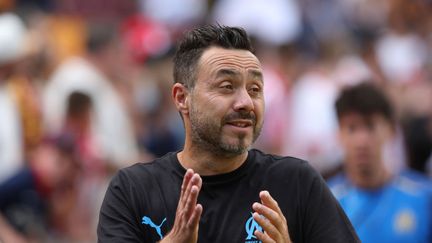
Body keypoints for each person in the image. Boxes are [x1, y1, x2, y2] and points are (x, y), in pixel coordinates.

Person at [97, 24, 359, 243]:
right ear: (182, 98)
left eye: (255, 88)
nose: (246, 102)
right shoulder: (133, 190)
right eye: (227, 86)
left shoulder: (297, 184)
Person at [328, 82, 432, 242]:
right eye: (351, 128)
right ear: (338, 134)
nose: (361, 140)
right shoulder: (325, 202)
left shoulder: (423, 196)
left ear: (390, 130)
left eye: (370, 126)